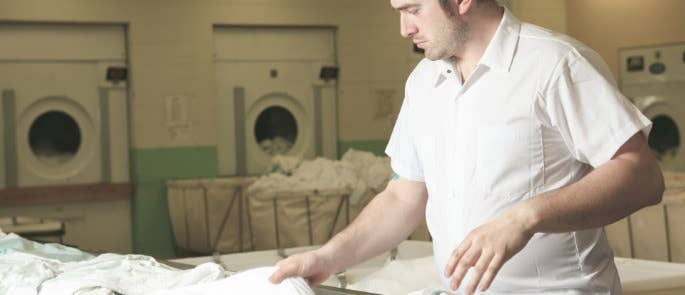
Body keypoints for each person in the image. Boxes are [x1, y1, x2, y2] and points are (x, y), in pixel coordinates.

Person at [270, 0, 665, 293]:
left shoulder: (556, 64)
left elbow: (641, 175)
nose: (404, 29)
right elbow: (403, 197)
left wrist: (526, 217)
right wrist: (327, 258)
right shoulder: (423, 83)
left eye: (413, 10)